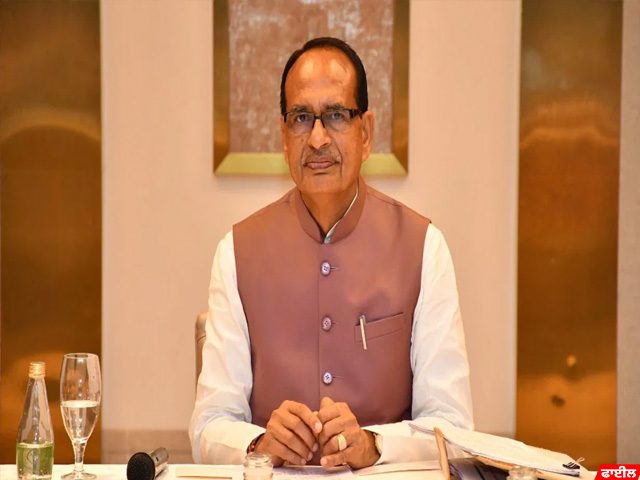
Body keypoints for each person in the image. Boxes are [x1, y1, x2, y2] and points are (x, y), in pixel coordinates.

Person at [189, 37, 473, 469]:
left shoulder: (423, 247)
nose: (317, 138)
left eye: (336, 115)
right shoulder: (236, 252)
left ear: (366, 133)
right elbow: (209, 424)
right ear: (285, 136)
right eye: (301, 118)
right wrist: (259, 443)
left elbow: (453, 426)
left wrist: (377, 444)